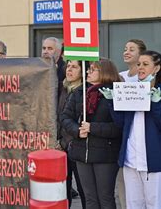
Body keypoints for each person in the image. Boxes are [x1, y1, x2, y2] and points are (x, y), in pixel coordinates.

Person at [102, 50, 161, 208]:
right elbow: (121, 123)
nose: (140, 68)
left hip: (156, 163)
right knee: (133, 205)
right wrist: (112, 103)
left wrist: (155, 103)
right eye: (138, 64)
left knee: (158, 205)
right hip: (131, 162)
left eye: (145, 64)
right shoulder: (132, 91)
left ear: (156, 68)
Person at [61, 58, 122, 209]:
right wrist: (76, 130)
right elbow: (65, 117)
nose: (87, 72)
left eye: (92, 69)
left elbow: (119, 126)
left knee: (105, 198)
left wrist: (92, 128)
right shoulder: (80, 92)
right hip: (82, 153)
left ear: (105, 72)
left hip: (105, 155)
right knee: (90, 199)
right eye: (88, 69)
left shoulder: (116, 93)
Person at [115, 39, 146, 208]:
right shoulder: (120, 77)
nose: (126, 52)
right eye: (125, 49)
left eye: (131, 49)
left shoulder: (147, 79)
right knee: (127, 192)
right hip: (123, 140)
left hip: (142, 140)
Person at [57, 60, 87, 208]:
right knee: (64, 189)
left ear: (82, 71)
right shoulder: (64, 88)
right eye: (68, 66)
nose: (69, 70)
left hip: (78, 146)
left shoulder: (85, 91)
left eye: (74, 67)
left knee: (84, 190)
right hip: (63, 146)